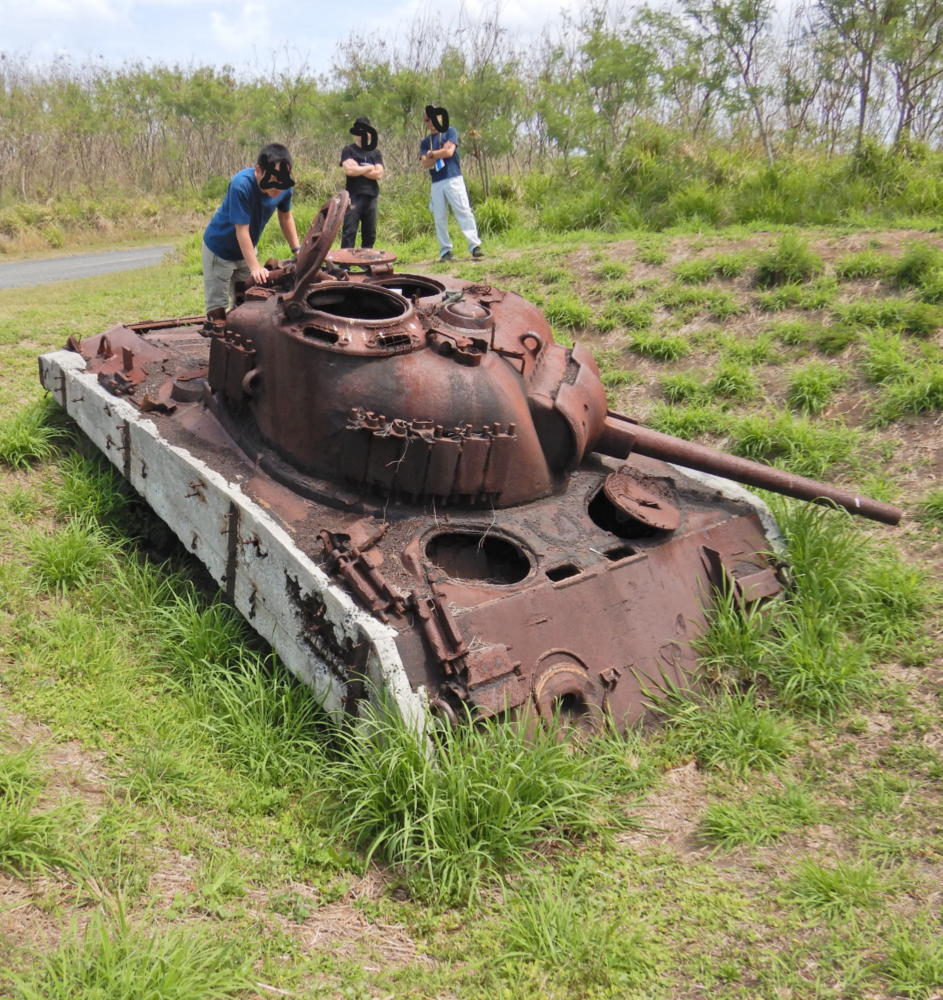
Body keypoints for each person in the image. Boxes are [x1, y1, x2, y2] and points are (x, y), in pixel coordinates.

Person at [201, 143, 300, 327]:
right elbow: (241, 229)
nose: (278, 187)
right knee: (218, 310)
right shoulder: (241, 185)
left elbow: (285, 217)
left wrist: (298, 250)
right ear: (259, 171)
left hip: (246, 250)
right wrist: (255, 266)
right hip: (220, 249)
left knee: (244, 299)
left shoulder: (285, 187)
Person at [418, 105, 483, 262]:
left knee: (463, 210)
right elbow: (425, 163)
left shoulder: (450, 132)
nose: (431, 122)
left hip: (453, 178)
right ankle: (445, 251)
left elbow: (449, 152)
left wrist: (432, 154)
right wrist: (435, 154)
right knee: (439, 216)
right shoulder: (426, 142)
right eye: (427, 119)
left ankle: (474, 246)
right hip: (437, 182)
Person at [340, 117, 385, 250]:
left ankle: (366, 263)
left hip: (371, 197)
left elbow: (379, 174)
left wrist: (358, 168)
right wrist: (369, 168)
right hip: (353, 197)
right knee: (349, 231)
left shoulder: (376, 153)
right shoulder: (348, 150)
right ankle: (345, 264)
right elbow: (349, 170)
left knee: (369, 233)